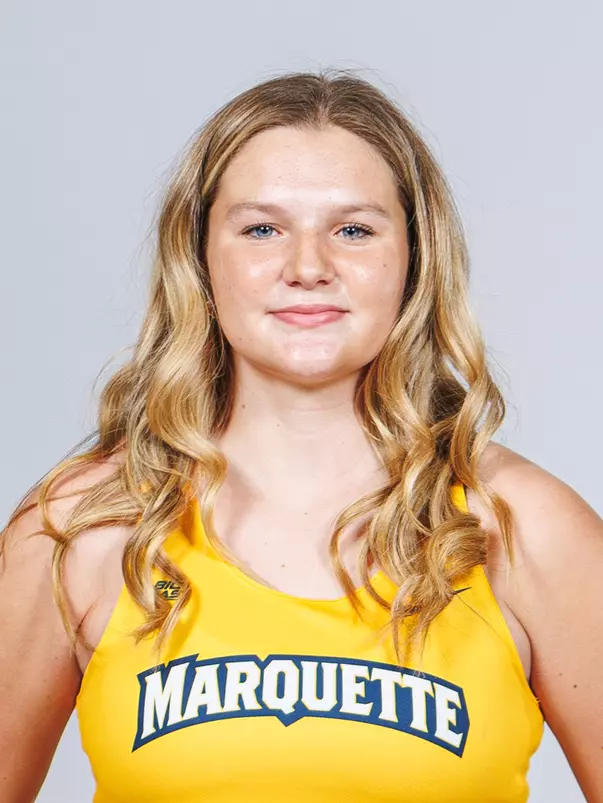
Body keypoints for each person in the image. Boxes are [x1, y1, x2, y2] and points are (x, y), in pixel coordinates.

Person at [1, 68, 601, 803]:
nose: (308, 267)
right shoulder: (81, 526)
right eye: (261, 229)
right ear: (199, 257)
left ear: (413, 258)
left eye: (353, 230)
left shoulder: (525, 528)